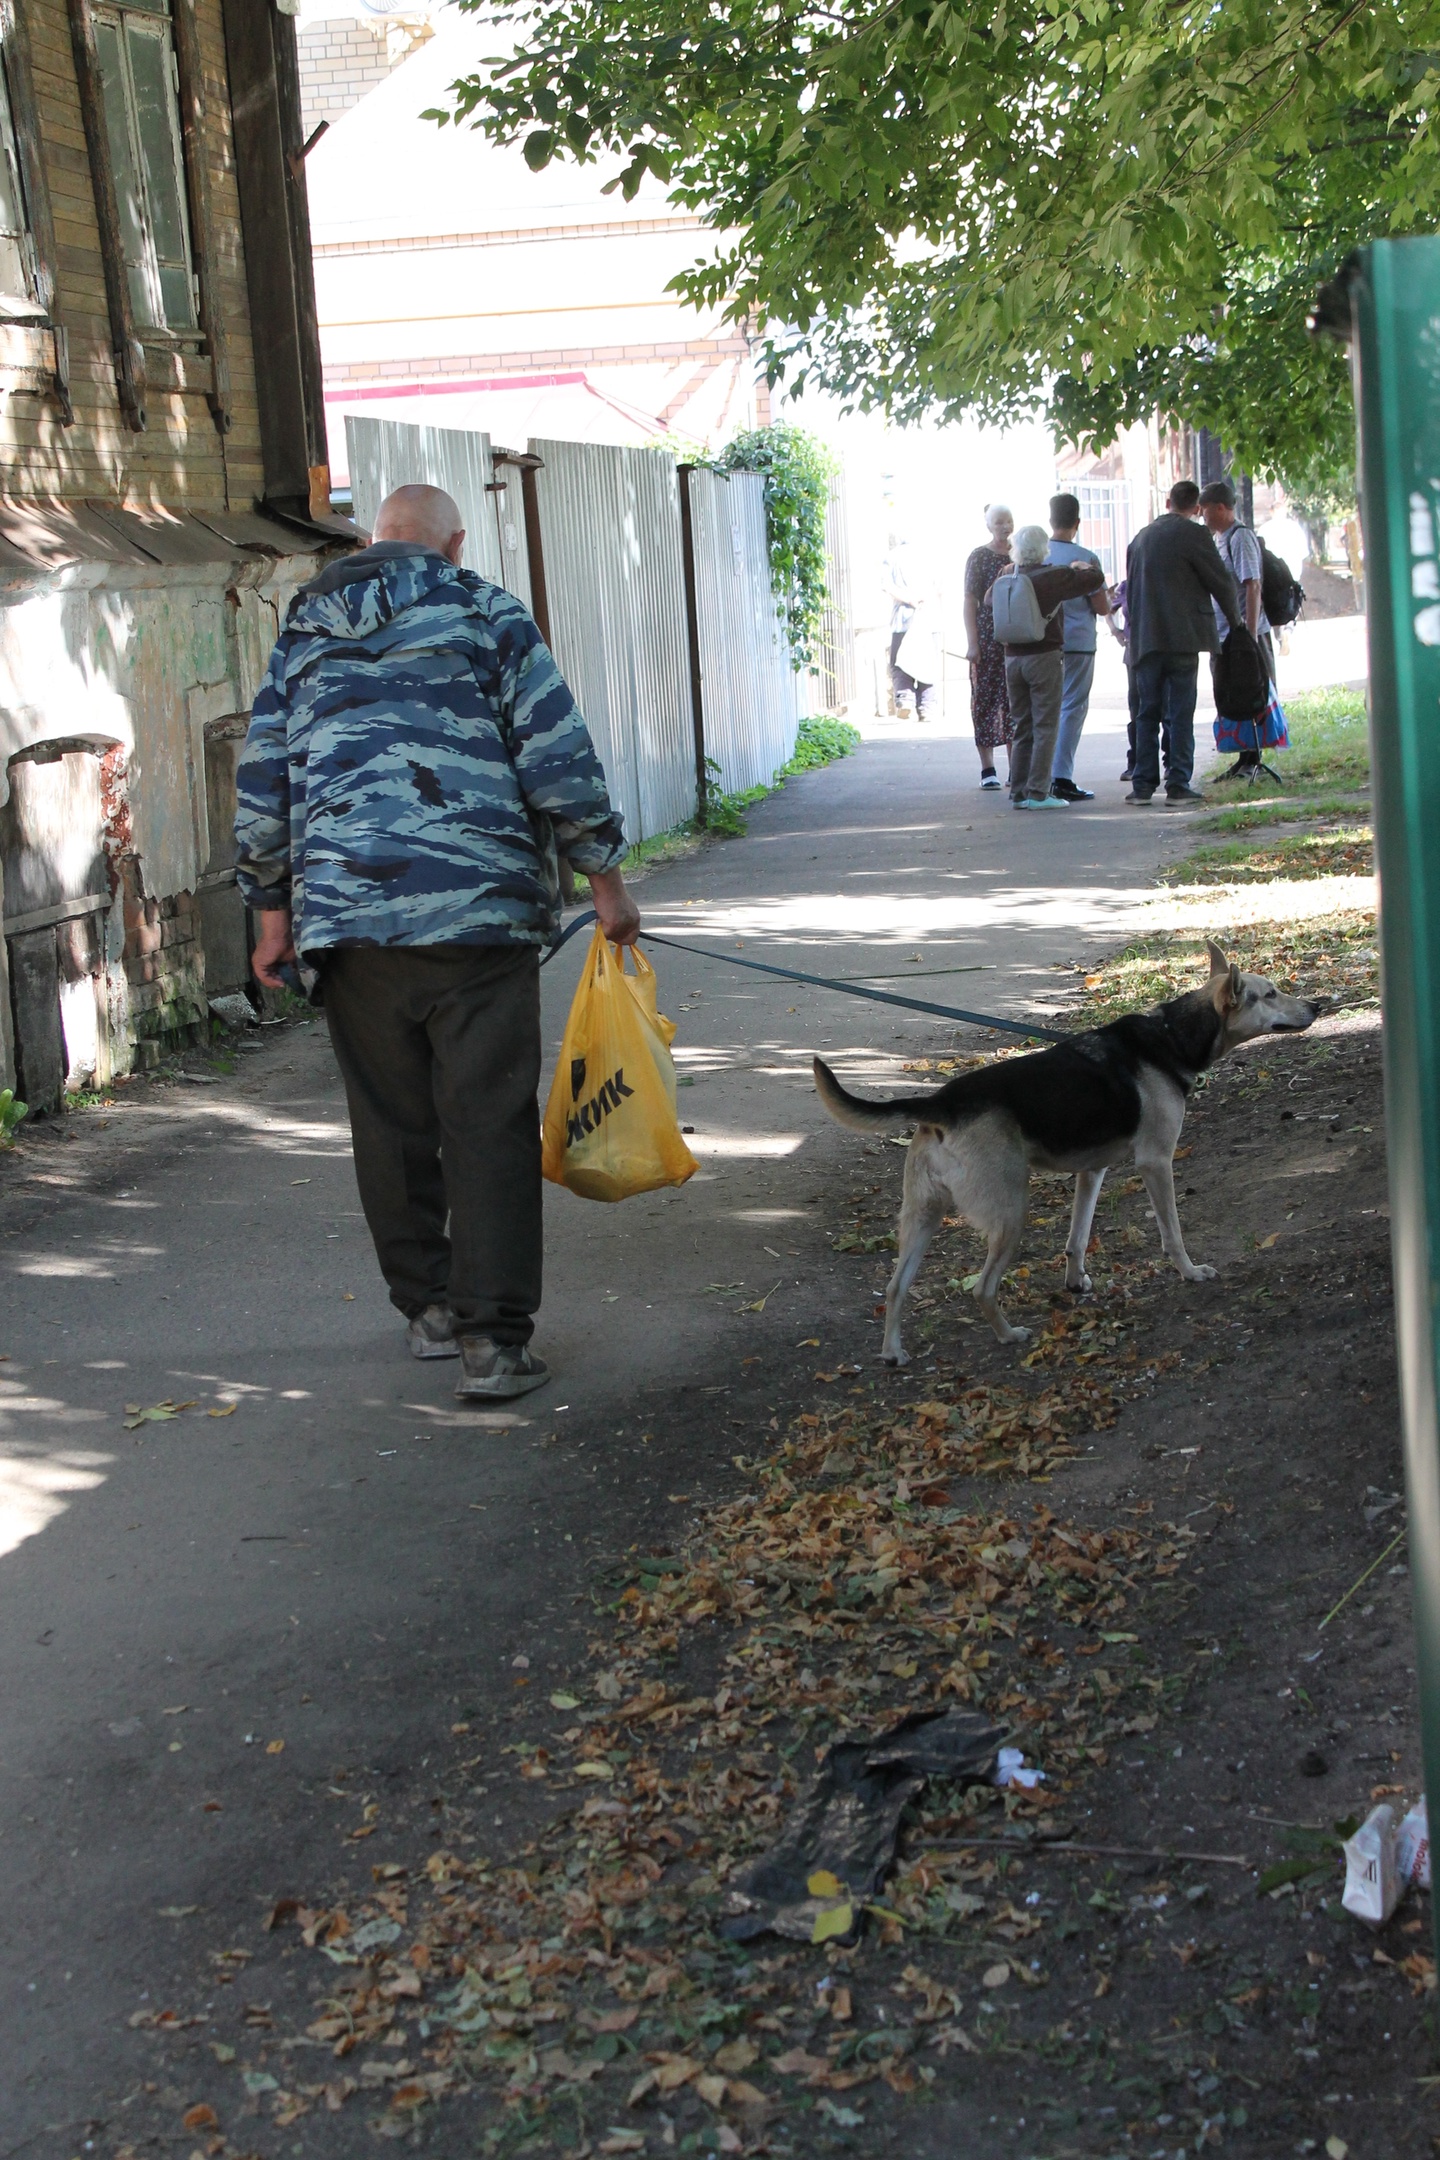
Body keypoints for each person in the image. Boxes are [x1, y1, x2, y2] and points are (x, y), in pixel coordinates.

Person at [233, 483, 639, 1402]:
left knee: (391, 1120)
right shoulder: (486, 612)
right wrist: (604, 882)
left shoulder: (305, 628)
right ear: (453, 544)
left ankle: (429, 1311)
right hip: (475, 914)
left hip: (348, 919)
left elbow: (263, 776)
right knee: (486, 1121)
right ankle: (493, 1344)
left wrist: (270, 917)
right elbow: (555, 754)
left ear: (376, 540)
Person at [1122, 478, 1241, 805]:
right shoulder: (1195, 535)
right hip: (1183, 637)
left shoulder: (1140, 538)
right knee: (1179, 709)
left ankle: (1142, 785)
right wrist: (1237, 624)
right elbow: (1221, 581)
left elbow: (1130, 591)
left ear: (1168, 503)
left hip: (1145, 639)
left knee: (1147, 711)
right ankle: (1177, 784)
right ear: (1197, 508)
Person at [993, 524, 1107, 809]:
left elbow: (987, 600)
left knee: (1022, 725)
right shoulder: (1053, 575)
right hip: (1043, 655)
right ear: (1044, 548)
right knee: (1046, 724)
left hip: (1012, 658)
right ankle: (1039, 792)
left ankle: (1018, 792)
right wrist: (1082, 566)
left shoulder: (1007, 573)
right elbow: (1095, 579)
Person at [1199, 477, 1287, 779]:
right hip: (1225, 634)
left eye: (1206, 510)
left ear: (1222, 508)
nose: (1203, 516)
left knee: (1253, 691)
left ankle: (1254, 758)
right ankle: (1243, 757)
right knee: (1232, 695)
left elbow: (1253, 585)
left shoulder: (1240, 537)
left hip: (1245, 635)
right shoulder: (1220, 539)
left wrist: (1248, 634)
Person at [1045, 492, 1111, 801]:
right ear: (1077, 522)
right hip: (1079, 641)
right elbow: (1101, 606)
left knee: (1043, 708)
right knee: (1072, 707)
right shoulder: (1087, 559)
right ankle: (1062, 776)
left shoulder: (1036, 555)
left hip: (1042, 641)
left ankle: (1037, 775)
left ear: (1051, 519)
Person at [963, 505, 1016, 788]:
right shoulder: (979, 557)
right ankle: (988, 770)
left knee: (1014, 703)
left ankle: (1014, 769)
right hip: (986, 639)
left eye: (1008, 521)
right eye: (999, 522)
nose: (1005, 527)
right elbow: (970, 600)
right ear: (988, 525)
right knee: (984, 701)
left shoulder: (1019, 554)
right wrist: (973, 642)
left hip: (1015, 639)